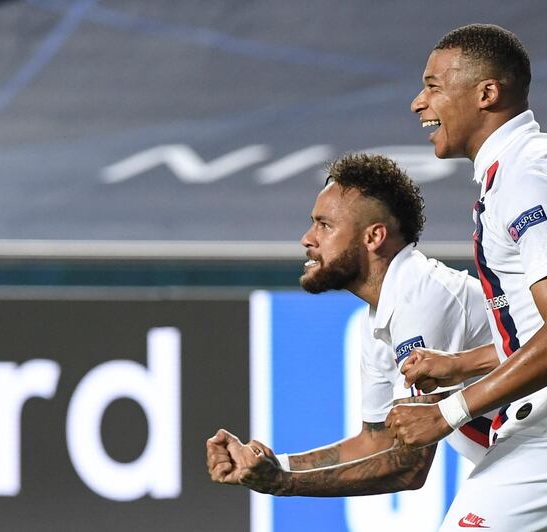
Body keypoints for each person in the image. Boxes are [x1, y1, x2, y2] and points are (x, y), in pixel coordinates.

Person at [385, 24, 547, 530]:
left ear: (487, 93)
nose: (418, 103)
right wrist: (464, 363)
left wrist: (450, 412)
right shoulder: (527, 169)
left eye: (434, 86)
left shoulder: (527, 177)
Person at [206, 153, 494, 500]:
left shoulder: (419, 295)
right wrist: (275, 465)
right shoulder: (377, 317)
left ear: (373, 237)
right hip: (529, 454)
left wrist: (284, 484)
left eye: (324, 225)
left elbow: (409, 466)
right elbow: (377, 441)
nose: (307, 239)